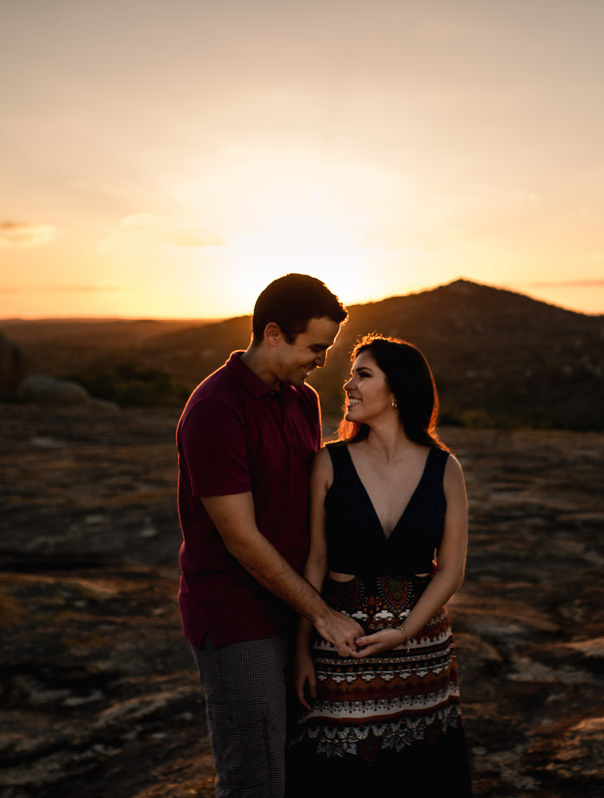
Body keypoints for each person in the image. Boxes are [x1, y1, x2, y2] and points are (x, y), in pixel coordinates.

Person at [176, 274, 367, 798]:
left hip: (296, 608)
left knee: (303, 765)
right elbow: (241, 539)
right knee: (254, 778)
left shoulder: (302, 400)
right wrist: (323, 614)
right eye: (316, 347)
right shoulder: (215, 410)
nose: (323, 361)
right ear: (275, 334)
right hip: (240, 615)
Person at [288, 336, 472, 797]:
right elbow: (315, 559)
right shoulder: (328, 462)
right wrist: (301, 652)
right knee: (339, 776)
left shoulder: (445, 468)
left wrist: (407, 631)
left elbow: (450, 569)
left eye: (362, 375)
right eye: (352, 375)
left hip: (422, 654)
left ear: (397, 391)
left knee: (421, 777)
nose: (347, 385)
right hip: (342, 649)